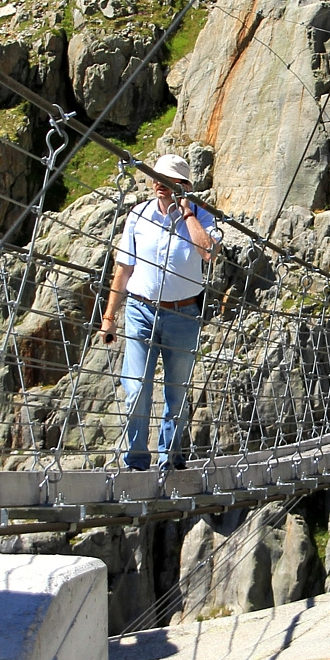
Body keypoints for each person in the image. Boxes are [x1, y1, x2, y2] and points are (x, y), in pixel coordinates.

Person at [100, 153, 218, 471]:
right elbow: (123, 270)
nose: (158, 184)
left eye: (166, 180)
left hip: (183, 316)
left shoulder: (203, 216)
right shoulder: (137, 216)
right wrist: (109, 317)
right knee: (137, 388)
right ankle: (137, 460)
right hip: (140, 311)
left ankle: (169, 457)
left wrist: (187, 213)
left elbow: (208, 252)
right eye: (156, 178)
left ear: (183, 186)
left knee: (176, 393)